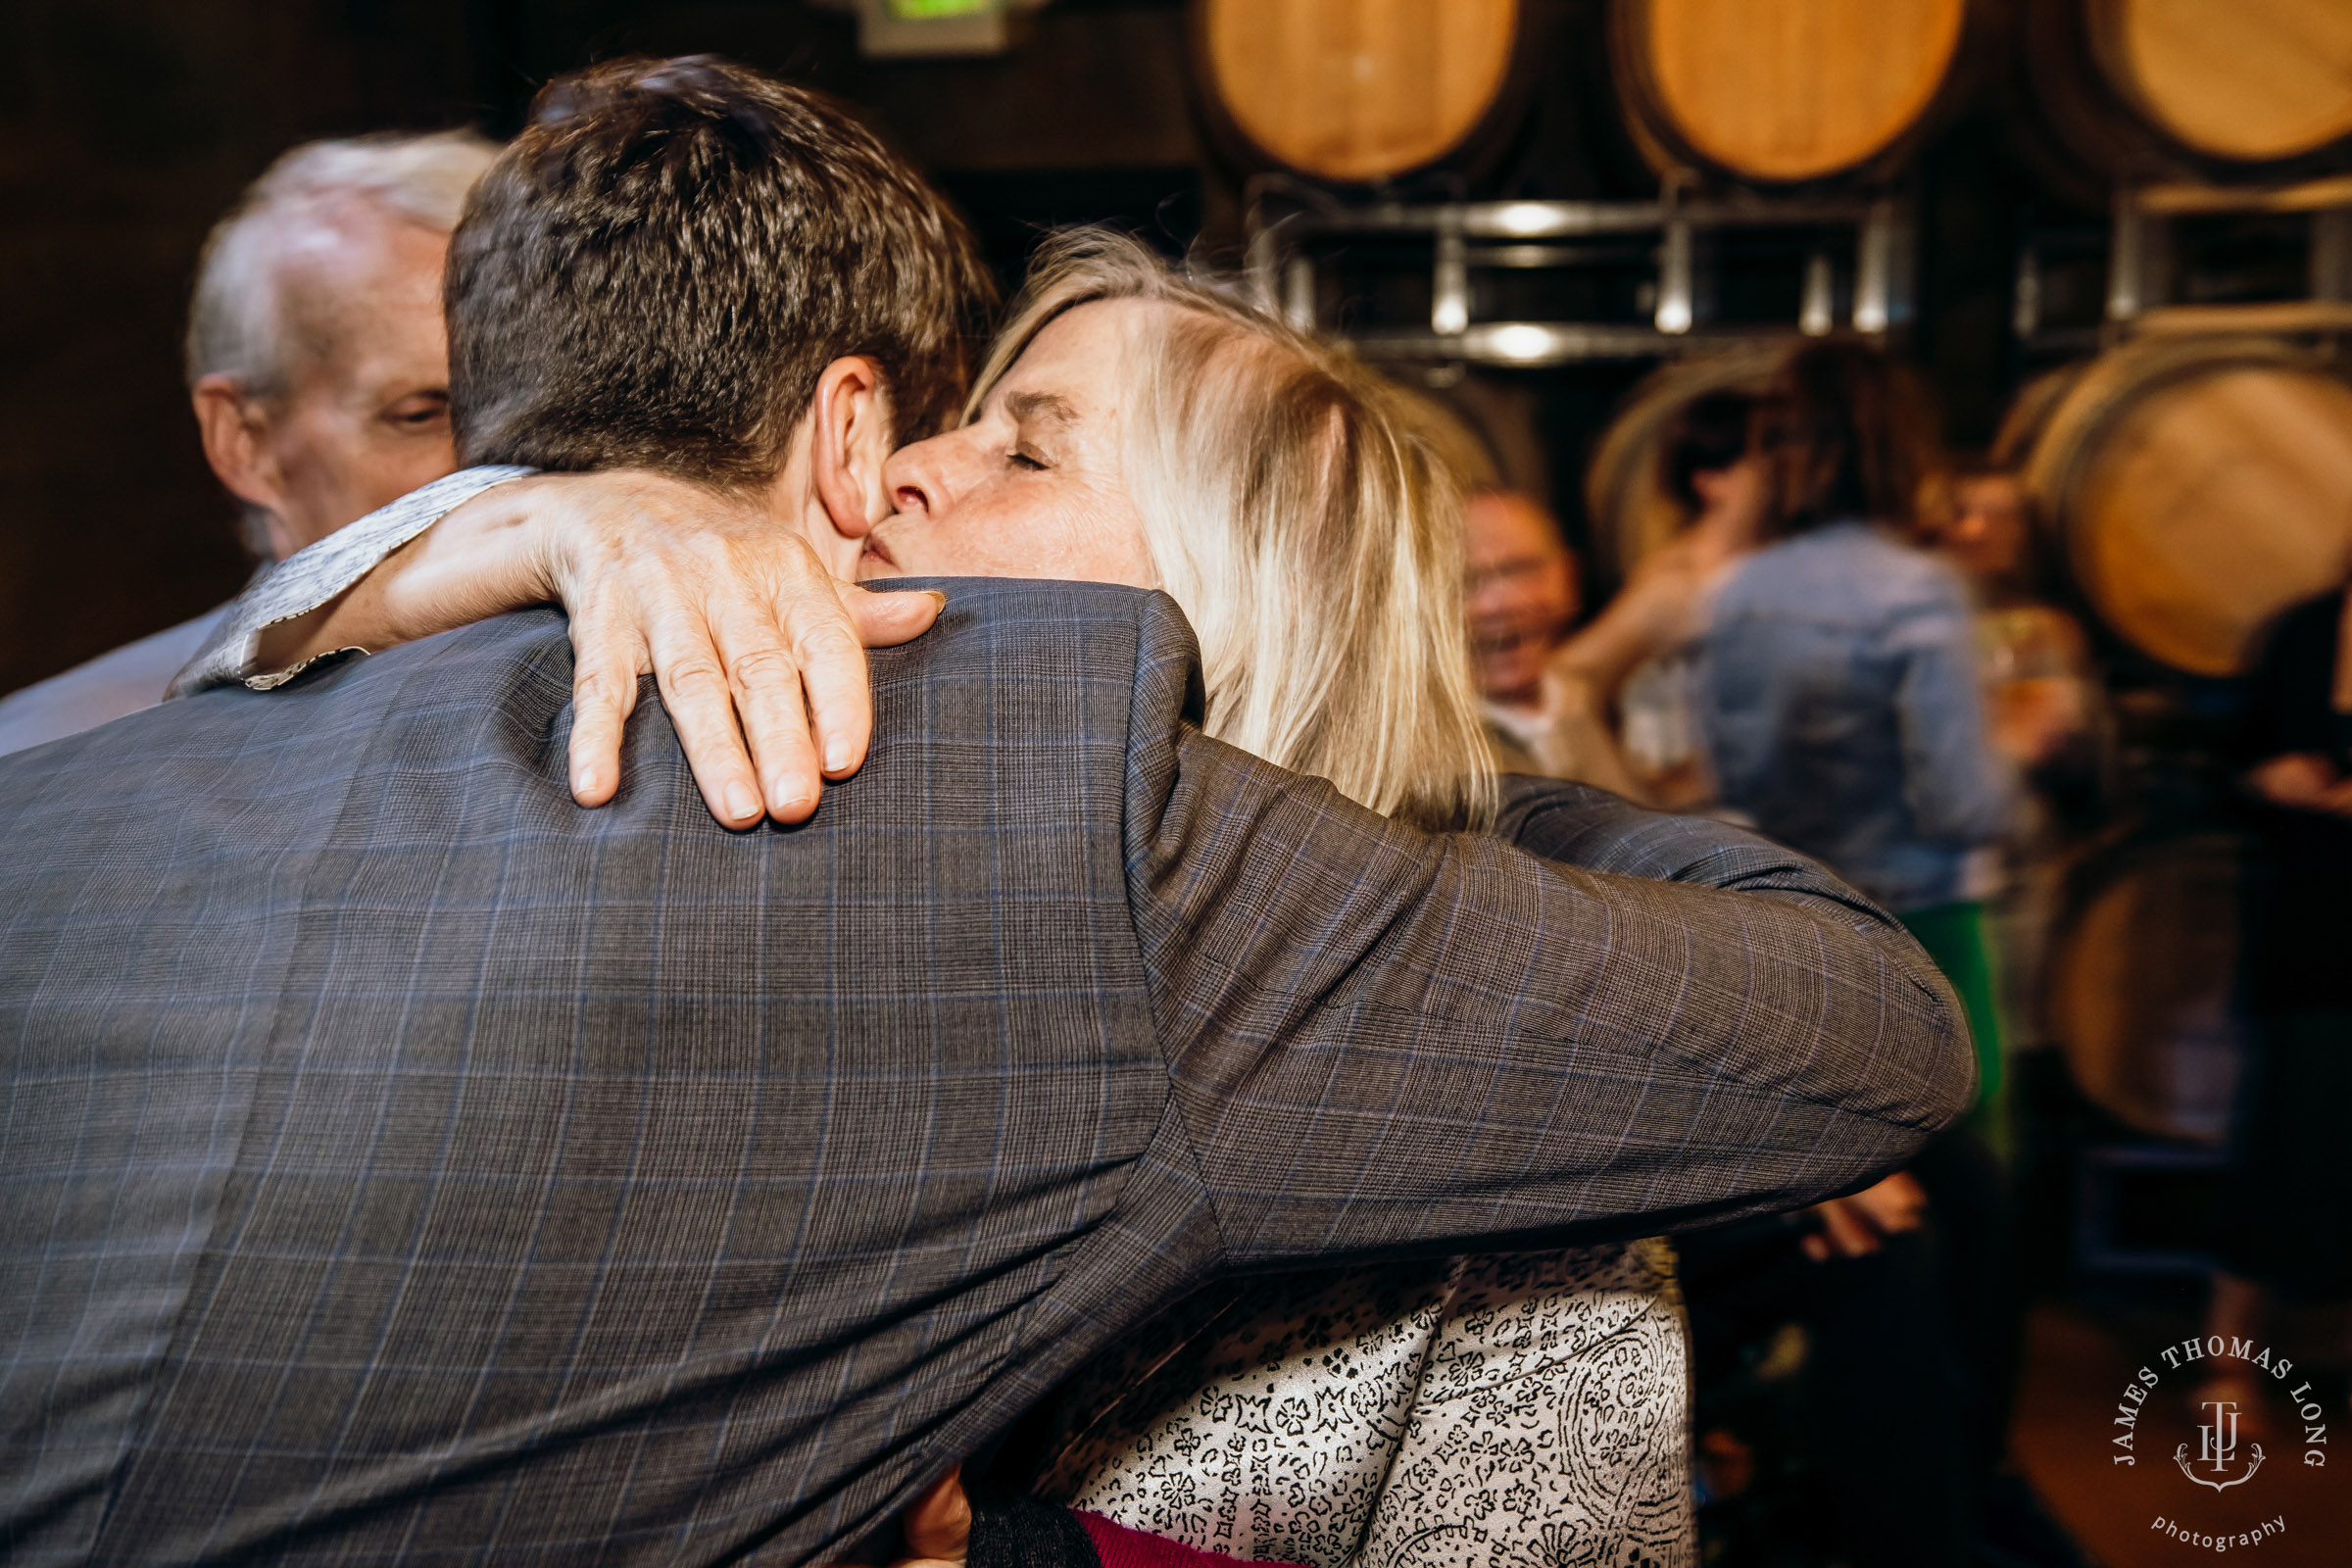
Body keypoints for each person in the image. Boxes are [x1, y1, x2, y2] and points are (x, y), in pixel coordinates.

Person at [3, 57, 1972, 1568]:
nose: (914, 475)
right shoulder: (795, 841)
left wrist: (1438, 788)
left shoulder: (1273, 964)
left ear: (1234, 589)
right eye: (950, 417)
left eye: (1023, 442)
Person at [1677, 339, 2028, 1568]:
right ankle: (1959, 1486)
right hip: (1923, 924)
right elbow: (1963, 798)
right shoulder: (1917, 592)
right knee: (1960, 1213)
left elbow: (1732, 786)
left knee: (1851, 1202)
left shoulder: (1740, 595)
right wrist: (2024, 768)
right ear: (1901, 446)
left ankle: (1836, 1484)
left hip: (1791, 935)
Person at [0, 130, 496, 757]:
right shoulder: (53, 769)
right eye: (422, 414)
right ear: (247, 443)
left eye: (537, 405)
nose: (504, 459)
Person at [2196, 581, 2352, 1431]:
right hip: (2312, 921)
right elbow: (2224, 770)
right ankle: (2231, 1365)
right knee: (2281, 1132)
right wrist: (2266, 777)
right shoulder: (2303, 630)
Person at [1552, 389, 1770, 811]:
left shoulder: (1769, 569)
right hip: (1717, 826)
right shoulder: (1680, 584)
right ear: (1711, 482)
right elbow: (1568, 678)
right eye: (1769, 460)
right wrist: (1635, 798)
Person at [1463, 486, 1644, 797]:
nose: (1494, 605)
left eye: (1519, 570)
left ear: (1568, 578)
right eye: (1463, 581)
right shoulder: (1424, 751)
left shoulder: (1588, 698)